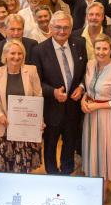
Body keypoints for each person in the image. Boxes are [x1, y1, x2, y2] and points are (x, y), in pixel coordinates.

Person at [32, 11, 87, 175]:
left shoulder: (80, 44)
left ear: (71, 28)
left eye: (66, 28)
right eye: (57, 27)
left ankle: (66, 173)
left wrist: (82, 87)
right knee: (50, 145)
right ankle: (52, 175)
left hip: (74, 107)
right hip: (51, 109)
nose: (62, 31)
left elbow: (86, 72)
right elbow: (35, 82)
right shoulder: (39, 50)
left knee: (70, 143)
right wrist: (53, 92)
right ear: (50, 27)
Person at [81, 34, 111, 201]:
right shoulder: (90, 64)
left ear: (110, 49)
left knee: (105, 153)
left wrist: (97, 106)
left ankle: (102, 193)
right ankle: (92, 186)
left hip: (108, 118)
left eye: (104, 48)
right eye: (98, 48)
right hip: (91, 116)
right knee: (92, 152)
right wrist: (83, 99)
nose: (101, 52)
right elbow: (87, 87)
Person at [0, 40, 42, 173]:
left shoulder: (31, 70)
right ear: (5, 54)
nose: (16, 57)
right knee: (5, 168)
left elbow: (38, 97)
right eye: (12, 53)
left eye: (20, 53)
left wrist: (39, 120)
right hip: (4, 127)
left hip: (26, 128)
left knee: (25, 167)